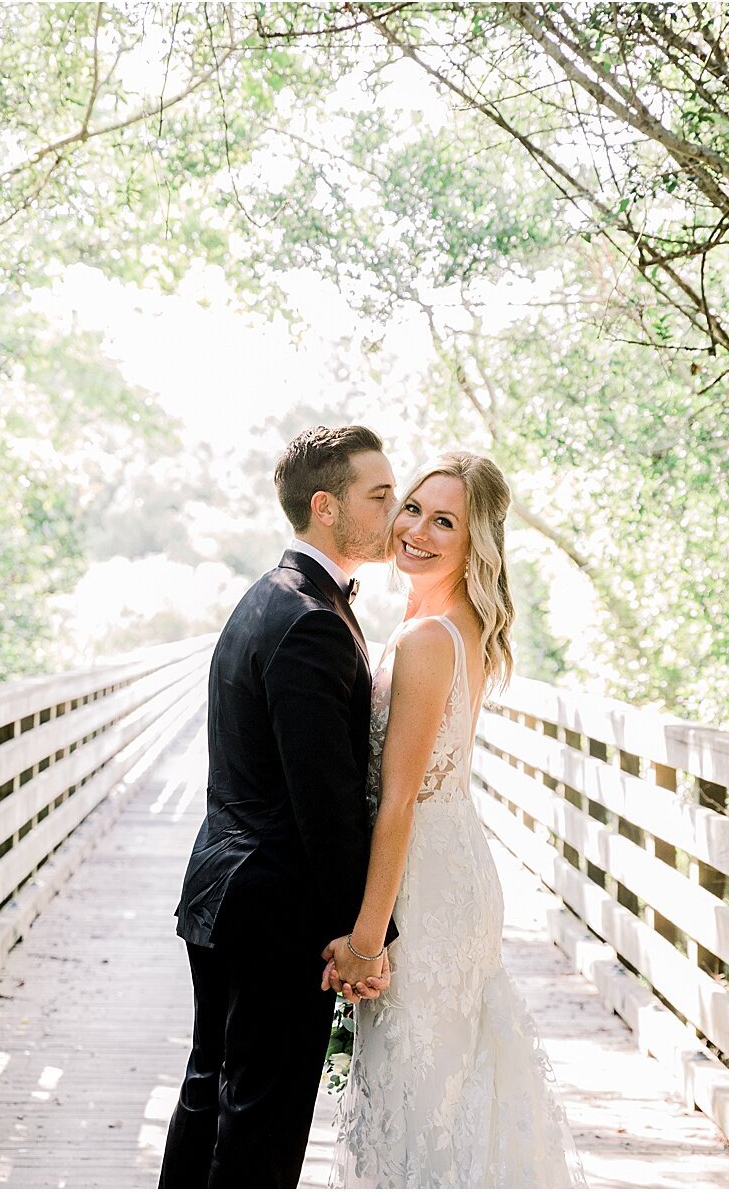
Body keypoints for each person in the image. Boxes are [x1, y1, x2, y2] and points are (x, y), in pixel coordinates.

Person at [325, 450, 582, 1187]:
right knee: (443, 1087)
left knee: (420, 1095)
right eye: (412, 508)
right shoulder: (448, 621)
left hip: (427, 890)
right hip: (453, 865)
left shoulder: (429, 638)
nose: (418, 530)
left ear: (476, 544)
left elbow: (400, 799)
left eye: (446, 521)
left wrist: (368, 941)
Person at [161, 425, 397, 1189]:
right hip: (274, 905)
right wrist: (367, 935)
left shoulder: (270, 595)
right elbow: (323, 803)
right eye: (381, 495)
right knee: (262, 1114)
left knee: (213, 1092)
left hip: (222, 888)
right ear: (327, 507)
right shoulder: (314, 623)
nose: (396, 512)